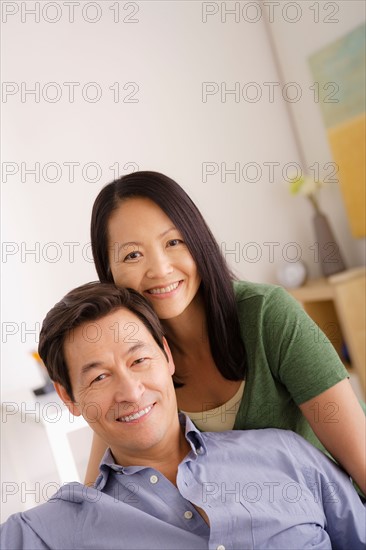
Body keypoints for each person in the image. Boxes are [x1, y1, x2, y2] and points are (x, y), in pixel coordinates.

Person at [1, 282, 364, 549]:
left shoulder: (286, 455)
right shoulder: (54, 531)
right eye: (99, 377)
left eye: (139, 360)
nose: (130, 391)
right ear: (68, 397)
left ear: (167, 358)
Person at [86, 170, 366, 494]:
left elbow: (361, 461)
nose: (160, 269)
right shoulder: (129, 360)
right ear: (109, 272)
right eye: (132, 255)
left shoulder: (268, 315)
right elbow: (97, 496)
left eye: (174, 242)